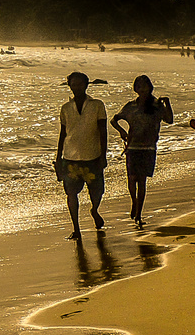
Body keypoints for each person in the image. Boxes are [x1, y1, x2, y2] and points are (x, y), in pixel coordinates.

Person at [111, 75, 173, 229]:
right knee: (132, 179)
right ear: (135, 89)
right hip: (132, 146)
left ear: (150, 87)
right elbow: (114, 119)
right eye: (139, 86)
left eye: (145, 86)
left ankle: (139, 212)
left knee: (142, 181)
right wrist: (121, 132)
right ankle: (134, 202)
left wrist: (168, 103)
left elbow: (170, 120)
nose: (142, 89)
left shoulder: (157, 105)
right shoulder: (131, 106)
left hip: (149, 147)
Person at [56, 72, 108, 241]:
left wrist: (103, 155)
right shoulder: (65, 108)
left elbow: (103, 131)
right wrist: (58, 157)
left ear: (86, 85)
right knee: (71, 194)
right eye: (73, 84)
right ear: (69, 85)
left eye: (79, 84)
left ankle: (94, 210)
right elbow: (63, 134)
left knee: (97, 192)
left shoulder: (97, 105)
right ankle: (76, 229)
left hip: (92, 156)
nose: (76, 87)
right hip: (70, 157)